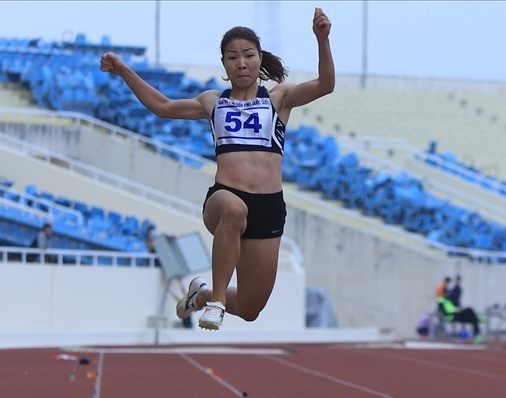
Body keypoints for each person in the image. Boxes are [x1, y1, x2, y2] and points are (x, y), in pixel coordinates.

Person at [100, 7, 334, 330]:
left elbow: (326, 85)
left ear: (259, 59)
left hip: (268, 207)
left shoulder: (278, 98)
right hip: (225, 198)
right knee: (235, 210)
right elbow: (163, 107)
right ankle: (217, 301)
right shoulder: (213, 102)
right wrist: (124, 70)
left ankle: (200, 296)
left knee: (251, 308)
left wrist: (322, 40)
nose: (241, 63)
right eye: (232, 57)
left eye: (248, 55)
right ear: (224, 64)